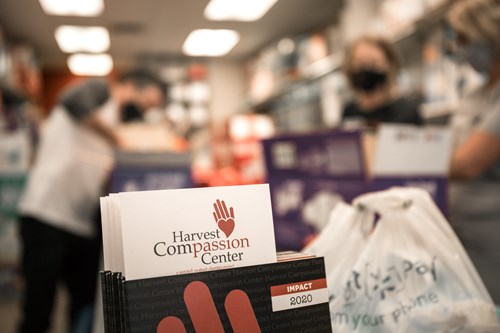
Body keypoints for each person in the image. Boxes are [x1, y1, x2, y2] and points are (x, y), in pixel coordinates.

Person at [17, 70, 165, 333]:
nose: (144, 109)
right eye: (146, 101)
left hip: (82, 224)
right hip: (46, 215)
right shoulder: (101, 92)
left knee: (85, 306)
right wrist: (117, 139)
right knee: (38, 309)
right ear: (130, 86)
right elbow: (70, 99)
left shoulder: (119, 126)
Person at [446, 0, 500, 304]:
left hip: (493, 240)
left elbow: (468, 161)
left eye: (464, 38)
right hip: (462, 239)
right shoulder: (475, 95)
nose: (459, 47)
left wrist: (409, 157)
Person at [342, 35, 423, 128]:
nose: (366, 68)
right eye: (360, 63)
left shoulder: (407, 112)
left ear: (390, 66)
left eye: (374, 63)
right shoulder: (349, 112)